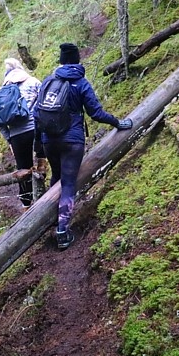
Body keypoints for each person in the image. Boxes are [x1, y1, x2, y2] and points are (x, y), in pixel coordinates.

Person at [35, 43, 132, 249]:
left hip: (49, 139)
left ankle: (52, 218)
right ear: (78, 60)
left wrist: (40, 144)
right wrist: (117, 123)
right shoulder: (81, 83)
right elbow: (96, 113)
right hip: (72, 141)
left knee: (57, 176)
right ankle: (62, 231)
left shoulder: (47, 81)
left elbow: (37, 113)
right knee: (68, 183)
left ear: (61, 61)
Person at [0, 57, 47, 210]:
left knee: (23, 170)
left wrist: (9, 139)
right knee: (41, 161)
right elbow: (45, 104)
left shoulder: (2, 91)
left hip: (17, 135)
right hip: (35, 129)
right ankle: (44, 195)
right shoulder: (33, 82)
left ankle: (26, 205)